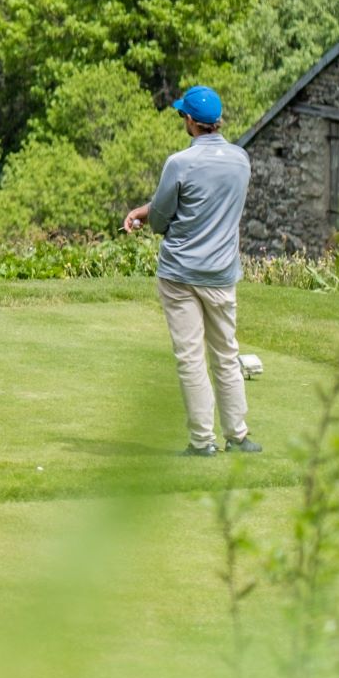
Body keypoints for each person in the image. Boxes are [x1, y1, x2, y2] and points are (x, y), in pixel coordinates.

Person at [124, 85, 259, 457]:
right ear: (216, 122)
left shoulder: (179, 163)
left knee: (190, 357)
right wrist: (145, 209)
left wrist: (146, 215)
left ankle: (202, 442)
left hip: (180, 273)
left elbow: (163, 217)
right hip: (221, 273)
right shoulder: (241, 159)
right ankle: (238, 435)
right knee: (226, 354)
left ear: (190, 121)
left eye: (183, 114)